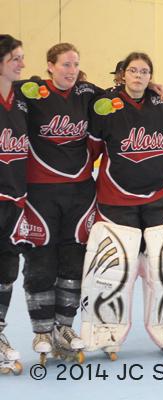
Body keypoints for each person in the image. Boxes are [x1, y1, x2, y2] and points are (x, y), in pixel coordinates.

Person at [83, 52, 163, 359]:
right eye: (133, 71)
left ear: (151, 76)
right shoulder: (105, 105)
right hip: (115, 199)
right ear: (122, 74)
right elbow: (92, 148)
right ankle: (105, 330)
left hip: (158, 198)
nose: (139, 76)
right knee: (113, 266)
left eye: (145, 72)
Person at [14, 43, 101, 364]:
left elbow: (124, 95)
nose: (71, 70)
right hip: (40, 194)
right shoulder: (31, 92)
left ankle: (64, 327)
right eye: (65, 64)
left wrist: (153, 88)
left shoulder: (87, 94)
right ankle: (41, 330)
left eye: (75, 64)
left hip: (80, 193)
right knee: (41, 262)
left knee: (73, 262)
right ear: (50, 66)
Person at [0, 34, 27, 375]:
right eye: (15, 59)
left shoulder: (23, 98)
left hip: (14, 201)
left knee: (7, 272)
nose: (22, 64)